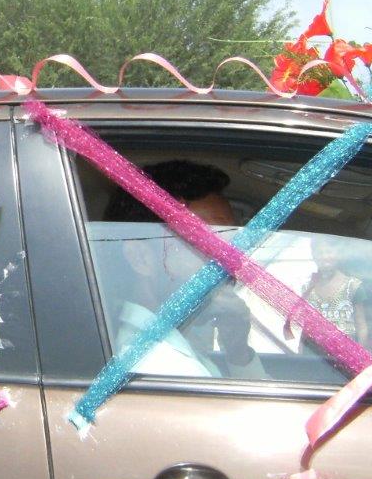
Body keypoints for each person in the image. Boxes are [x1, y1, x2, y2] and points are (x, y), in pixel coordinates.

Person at [100, 160, 265, 380]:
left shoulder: (168, 345)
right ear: (141, 258)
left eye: (230, 249)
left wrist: (238, 353)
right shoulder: (166, 366)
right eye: (209, 247)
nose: (231, 267)